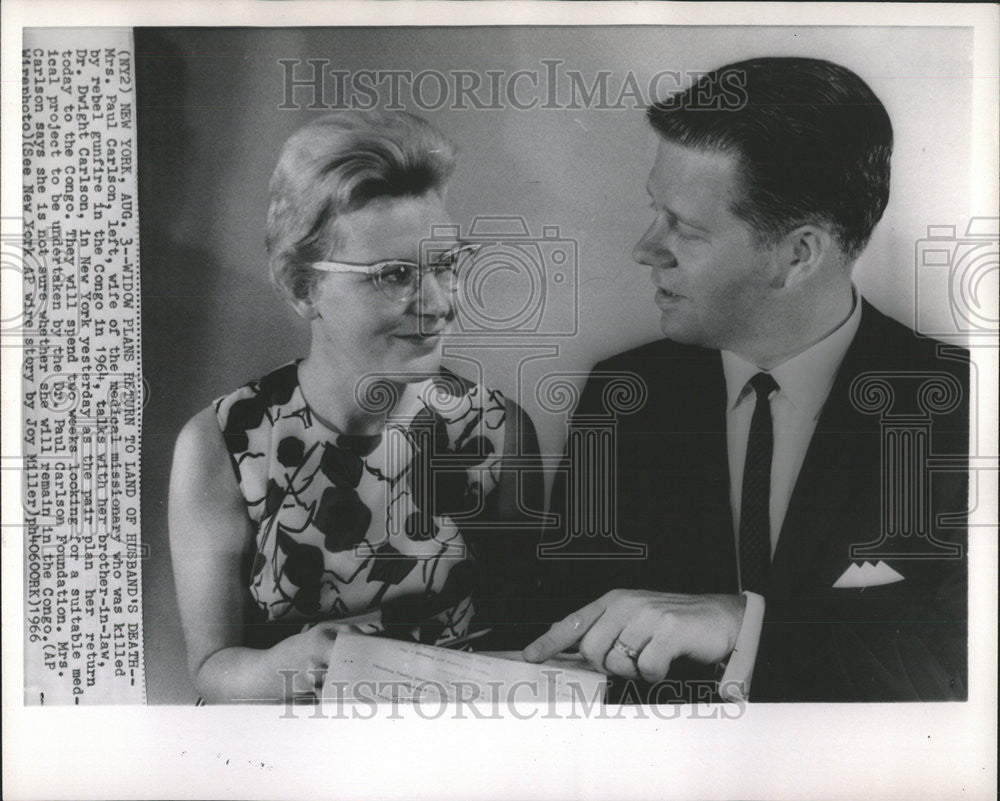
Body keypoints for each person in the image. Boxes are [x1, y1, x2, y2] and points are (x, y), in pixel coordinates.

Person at [524, 57, 968, 702]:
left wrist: (744, 622)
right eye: (658, 210)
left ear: (798, 255)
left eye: (687, 227)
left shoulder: (964, 409)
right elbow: (569, 634)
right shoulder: (621, 396)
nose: (647, 248)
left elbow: (961, 668)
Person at [169, 110, 542, 703]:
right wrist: (294, 663)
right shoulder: (221, 444)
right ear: (301, 287)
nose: (439, 304)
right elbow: (212, 667)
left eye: (446, 264)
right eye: (395, 275)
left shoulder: (497, 433)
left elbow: (524, 638)